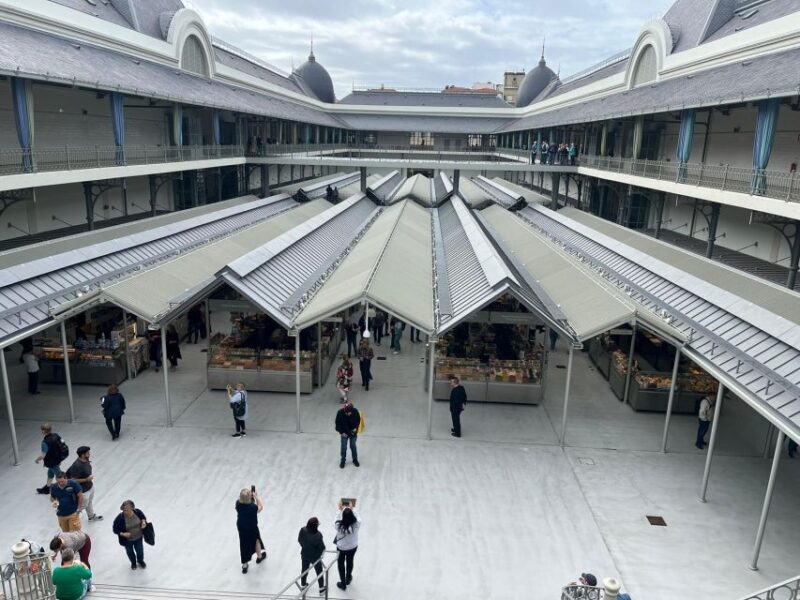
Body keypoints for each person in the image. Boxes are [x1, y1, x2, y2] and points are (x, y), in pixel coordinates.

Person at [66, 446, 102, 523]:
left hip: (89, 486)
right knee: (81, 506)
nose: (89, 454)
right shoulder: (77, 465)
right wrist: (86, 479)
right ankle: (72, 520)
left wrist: (88, 481)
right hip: (83, 490)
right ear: (82, 455)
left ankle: (91, 517)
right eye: (88, 453)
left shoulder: (86, 460)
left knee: (89, 502)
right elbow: (73, 480)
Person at [236, 487, 266, 574]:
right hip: (252, 528)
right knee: (256, 541)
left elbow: (245, 502)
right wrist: (256, 497)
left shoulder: (238, 504)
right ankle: (259, 557)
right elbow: (260, 507)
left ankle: (245, 565)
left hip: (241, 527)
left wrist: (248, 497)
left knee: (244, 544)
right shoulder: (252, 507)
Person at [333, 504, 361, 591]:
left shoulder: (338, 525)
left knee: (340, 564)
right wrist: (352, 509)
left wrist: (340, 510)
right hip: (352, 547)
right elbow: (359, 518)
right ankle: (348, 577)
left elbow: (336, 519)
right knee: (350, 561)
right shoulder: (356, 524)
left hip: (341, 547)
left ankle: (343, 582)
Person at [112, 500, 147, 569]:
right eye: (124, 510)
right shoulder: (120, 518)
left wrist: (143, 522)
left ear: (132, 508)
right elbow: (115, 529)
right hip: (127, 540)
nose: (125, 512)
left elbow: (143, 518)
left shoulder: (137, 512)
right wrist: (123, 534)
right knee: (130, 552)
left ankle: (140, 561)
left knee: (140, 550)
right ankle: (133, 563)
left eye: (127, 510)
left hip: (138, 537)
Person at [35, 423, 67, 494]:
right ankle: (47, 488)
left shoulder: (45, 442)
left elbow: (43, 455)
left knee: (59, 476)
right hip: (58, 459)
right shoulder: (56, 435)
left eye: (42, 430)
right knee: (50, 473)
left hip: (52, 462)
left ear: (43, 431)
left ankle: (65, 489)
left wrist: (37, 460)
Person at [298, 517, 326, 594]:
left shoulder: (302, 529)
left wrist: (305, 546)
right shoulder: (318, 535)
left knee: (304, 569)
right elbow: (322, 548)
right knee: (319, 572)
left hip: (304, 554)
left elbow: (299, 540)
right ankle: (321, 589)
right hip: (315, 557)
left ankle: (303, 585)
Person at [335, 402, 361, 469]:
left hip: (353, 433)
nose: (349, 414)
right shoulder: (340, 413)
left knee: (353, 447)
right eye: (347, 412)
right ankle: (343, 461)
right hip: (344, 433)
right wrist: (341, 432)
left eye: (350, 412)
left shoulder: (355, 411)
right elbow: (337, 424)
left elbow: (359, 420)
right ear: (344, 411)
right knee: (343, 448)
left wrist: (356, 428)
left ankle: (355, 460)